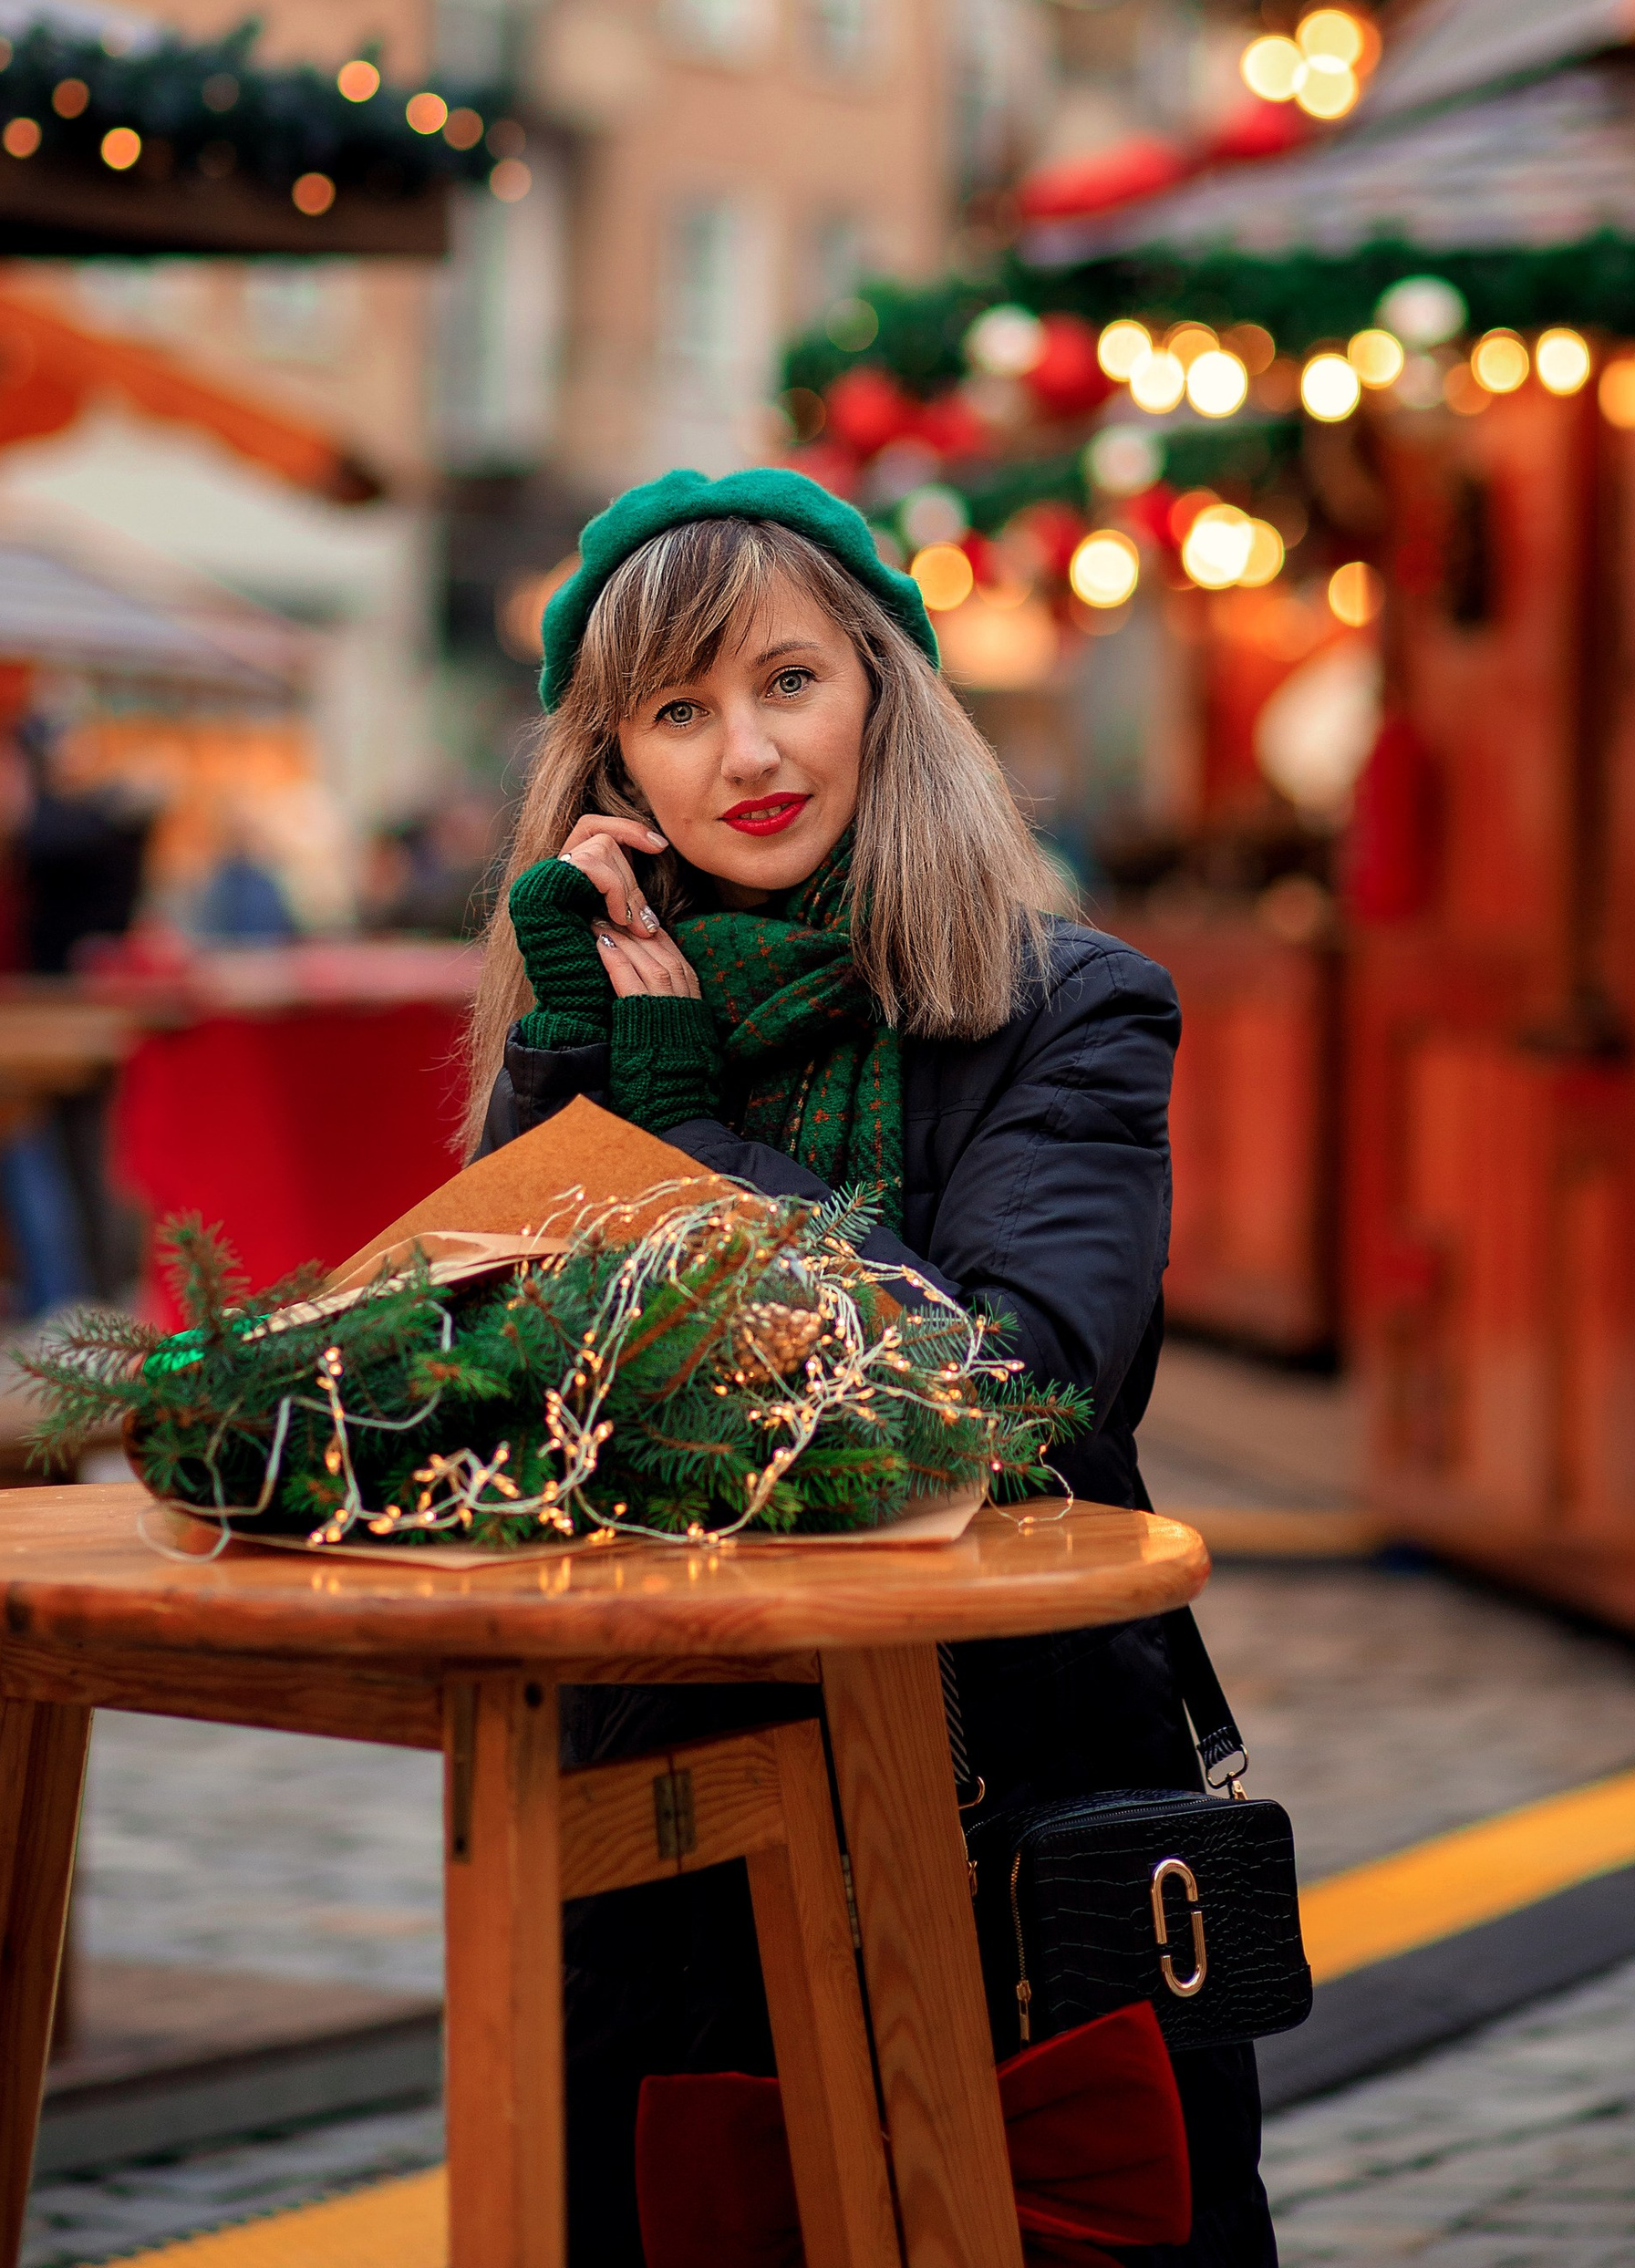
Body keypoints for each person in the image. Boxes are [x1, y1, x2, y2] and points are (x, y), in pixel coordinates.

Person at [464, 466, 1276, 2268]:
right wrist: (560, 1107)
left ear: (882, 689)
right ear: (609, 780)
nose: (741, 749)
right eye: (675, 711)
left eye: (783, 681)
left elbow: (1023, 1384)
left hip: (1008, 1812)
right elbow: (495, 1426)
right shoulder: (598, 1033)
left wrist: (675, 1153)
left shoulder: (1063, 1004)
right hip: (673, 1828)